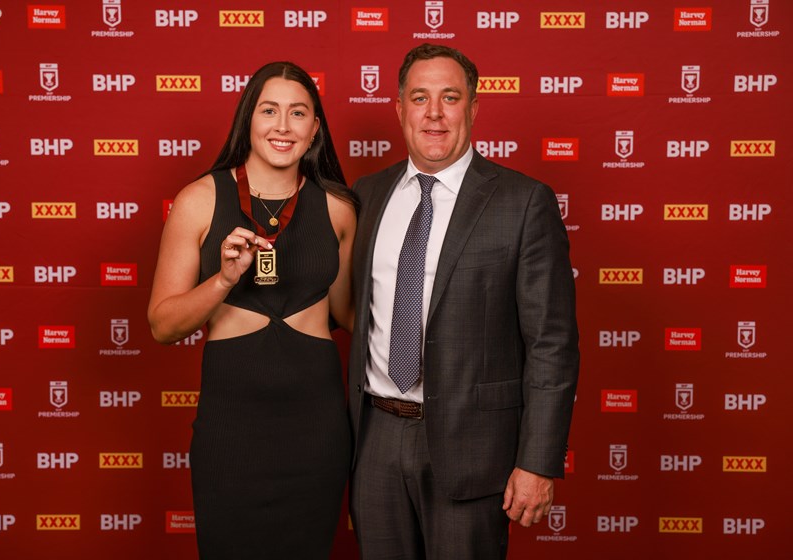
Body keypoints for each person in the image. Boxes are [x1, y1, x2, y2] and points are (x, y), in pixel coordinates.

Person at [348, 43, 579, 558]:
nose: (434, 114)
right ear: (399, 107)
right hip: (376, 442)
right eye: (420, 97)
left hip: (475, 450)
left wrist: (538, 462)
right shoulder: (366, 195)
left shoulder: (523, 203)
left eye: (450, 98)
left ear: (473, 109)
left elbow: (552, 345)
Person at [148, 61, 357, 559]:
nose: (282, 126)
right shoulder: (199, 200)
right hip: (231, 429)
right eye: (269, 110)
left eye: (298, 113)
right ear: (249, 119)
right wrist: (223, 279)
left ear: (315, 130)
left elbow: (353, 316)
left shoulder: (338, 208)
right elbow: (162, 324)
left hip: (317, 429)